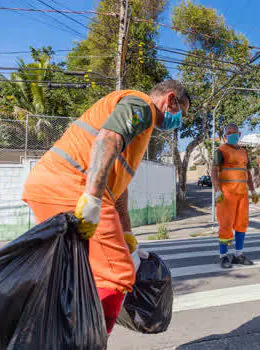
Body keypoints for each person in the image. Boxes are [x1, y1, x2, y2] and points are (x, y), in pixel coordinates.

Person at [22, 80, 190, 334]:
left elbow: (119, 189)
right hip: (72, 185)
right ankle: (87, 341)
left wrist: (127, 233)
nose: (179, 120)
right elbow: (107, 139)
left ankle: (63, 335)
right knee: (118, 272)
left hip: (49, 185)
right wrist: (92, 198)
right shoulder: (141, 104)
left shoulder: (139, 131)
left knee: (79, 275)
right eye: (182, 112)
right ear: (170, 100)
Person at [211, 123, 259, 269]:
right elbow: (214, 171)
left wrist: (253, 191)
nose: (231, 134)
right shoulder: (220, 151)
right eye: (229, 132)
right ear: (225, 136)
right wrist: (217, 190)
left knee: (241, 224)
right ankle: (223, 256)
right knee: (225, 225)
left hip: (242, 194)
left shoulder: (244, 152)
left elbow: (248, 173)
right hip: (226, 195)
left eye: (234, 132)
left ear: (239, 134)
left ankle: (238, 255)